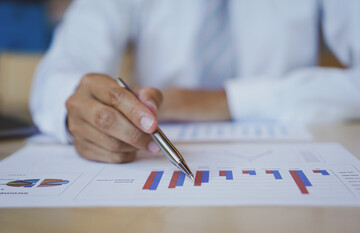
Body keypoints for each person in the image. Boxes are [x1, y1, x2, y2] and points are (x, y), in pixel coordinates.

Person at [30, 0, 360, 163]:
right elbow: (63, 65)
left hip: (288, 150)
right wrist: (80, 104)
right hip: (152, 155)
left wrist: (227, 101)